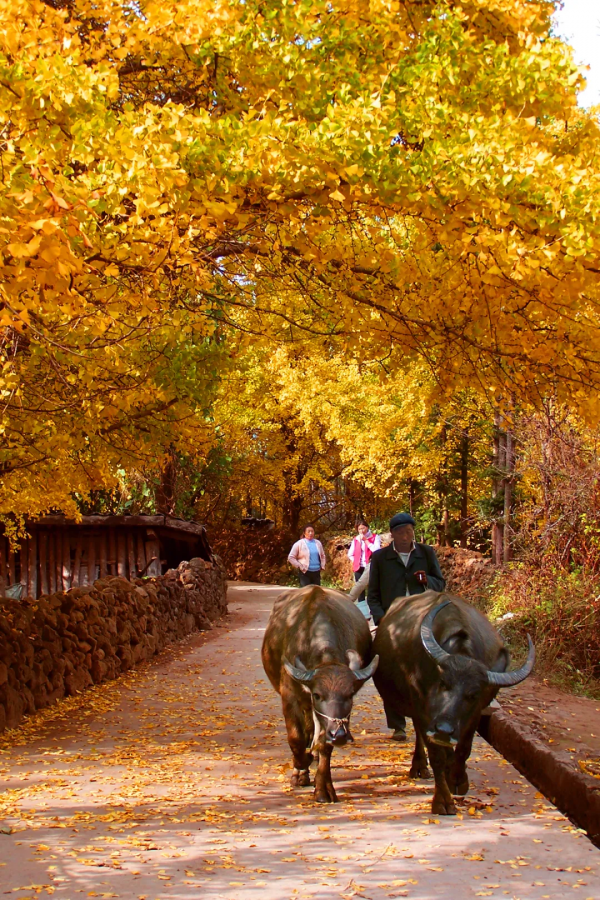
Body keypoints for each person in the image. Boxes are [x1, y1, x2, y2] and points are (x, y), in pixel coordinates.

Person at [368, 512, 446, 741]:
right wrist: (381, 619)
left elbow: (440, 584)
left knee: (434, 666)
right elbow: (372, 596)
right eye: (401, 532)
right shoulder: (380, 558)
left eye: (409, 531)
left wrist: (426, 581)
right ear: (392, 535)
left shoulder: (426, 553)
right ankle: (398, 725)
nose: (405, 536)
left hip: (423, 617)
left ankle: (434, 716)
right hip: (392, 621)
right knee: (388, 670)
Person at [347, 521, 380, 617]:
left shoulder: (375, 537)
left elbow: (377, 551)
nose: (361, 531)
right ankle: (364, 614)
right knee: (360, 590)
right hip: (359, 567)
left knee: (372, 589)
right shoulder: (356, 539)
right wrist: (355, 561)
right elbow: (350, 554)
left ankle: (373, 611)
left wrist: (366, 540)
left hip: (371, 566)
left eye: (363, 528)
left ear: (367, 527)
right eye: (359, 529)